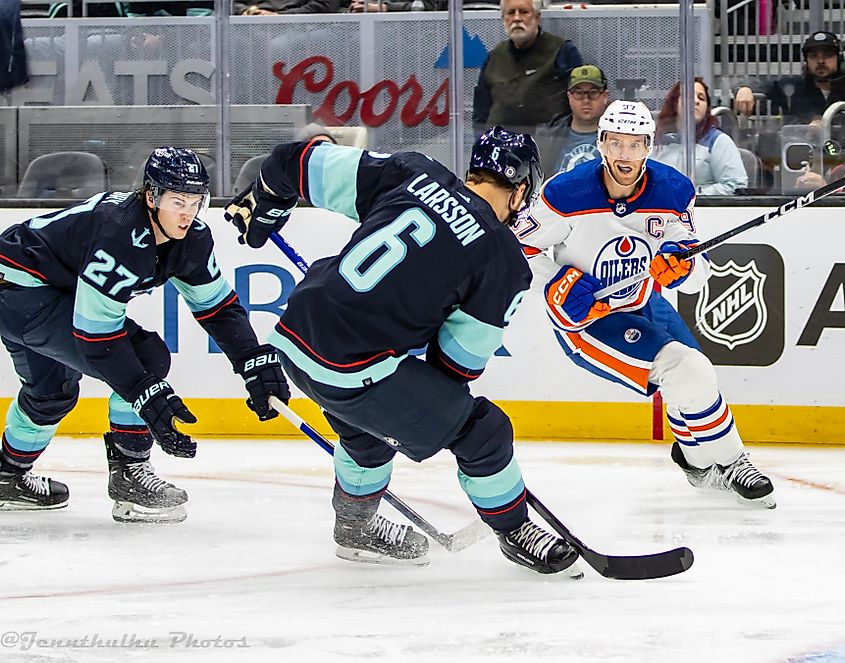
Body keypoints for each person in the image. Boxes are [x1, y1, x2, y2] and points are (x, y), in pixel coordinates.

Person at [224, 128, 583, 576]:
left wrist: (267, 200)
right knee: (483, 432)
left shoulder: (413, 172)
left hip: (295, 336)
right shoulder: (503, 259)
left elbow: (294, 161)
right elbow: (456, 366)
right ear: (522, 190)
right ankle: (514, 530)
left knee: (368, 430)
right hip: (352, 368)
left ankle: (354, 527)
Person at [0, 147, 289, 522]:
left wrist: (251, 360)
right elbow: (97, 338)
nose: (188, 212)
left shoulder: (193, 240)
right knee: (147, 358)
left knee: (51, 393)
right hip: (23, 293)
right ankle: (129, 474)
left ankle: (8, 476)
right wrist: (143, 394)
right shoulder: (120, 233)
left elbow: (217, 308)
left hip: (31, 288)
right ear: (152, 197)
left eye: (196, 201)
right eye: (177, 200)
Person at [514, 101, 776, 509]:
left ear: (649, 147)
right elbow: (517, 250)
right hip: (588, 322)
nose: (624, 154)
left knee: (695, 374)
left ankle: (695, 459)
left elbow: (696, 267)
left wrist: (682, 267)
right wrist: (557, 284)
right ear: (601, 143)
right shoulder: (566, 193)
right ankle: (729, 461)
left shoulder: (672, 190)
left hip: (642, 300)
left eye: (635, 144)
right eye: (615, 142)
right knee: (686, 371)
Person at [472, 0, 582, 136]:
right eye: (511, 13)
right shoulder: (493, 57)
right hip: (498, 147)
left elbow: (579, 104)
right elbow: (480, 112)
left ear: (537, 17)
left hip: (547, 147)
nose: (517, 18)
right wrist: (481, 143)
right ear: (503, 19)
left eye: (524, 12)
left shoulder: (563, 51)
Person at [652, 77, 748, 196]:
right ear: (674, 102)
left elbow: (735, 185)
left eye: (701, 98)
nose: (696, 101)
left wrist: (691, 196)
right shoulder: (654, 141)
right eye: (689, 96)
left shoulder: (718, 141)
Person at [734, 31, 845, 122]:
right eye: (814, 56)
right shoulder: (795, 86)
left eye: (828, 55)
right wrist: (745, 88)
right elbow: (761, 85)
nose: (821, 61)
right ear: (806, 61)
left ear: (838, 59)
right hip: (800, 146)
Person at [534, 64, 610, 176]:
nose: (586, 100)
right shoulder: (547, 137)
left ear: (605, 96)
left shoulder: (620, 138)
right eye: (579, 93)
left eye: (593, 92)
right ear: (569, 97)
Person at [233, 0, 340, 14]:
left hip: (299, 26)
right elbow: (224, 3)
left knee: (279, 45)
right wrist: (244, 10)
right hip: (247, 22)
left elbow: (324, 6)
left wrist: (278, 16)